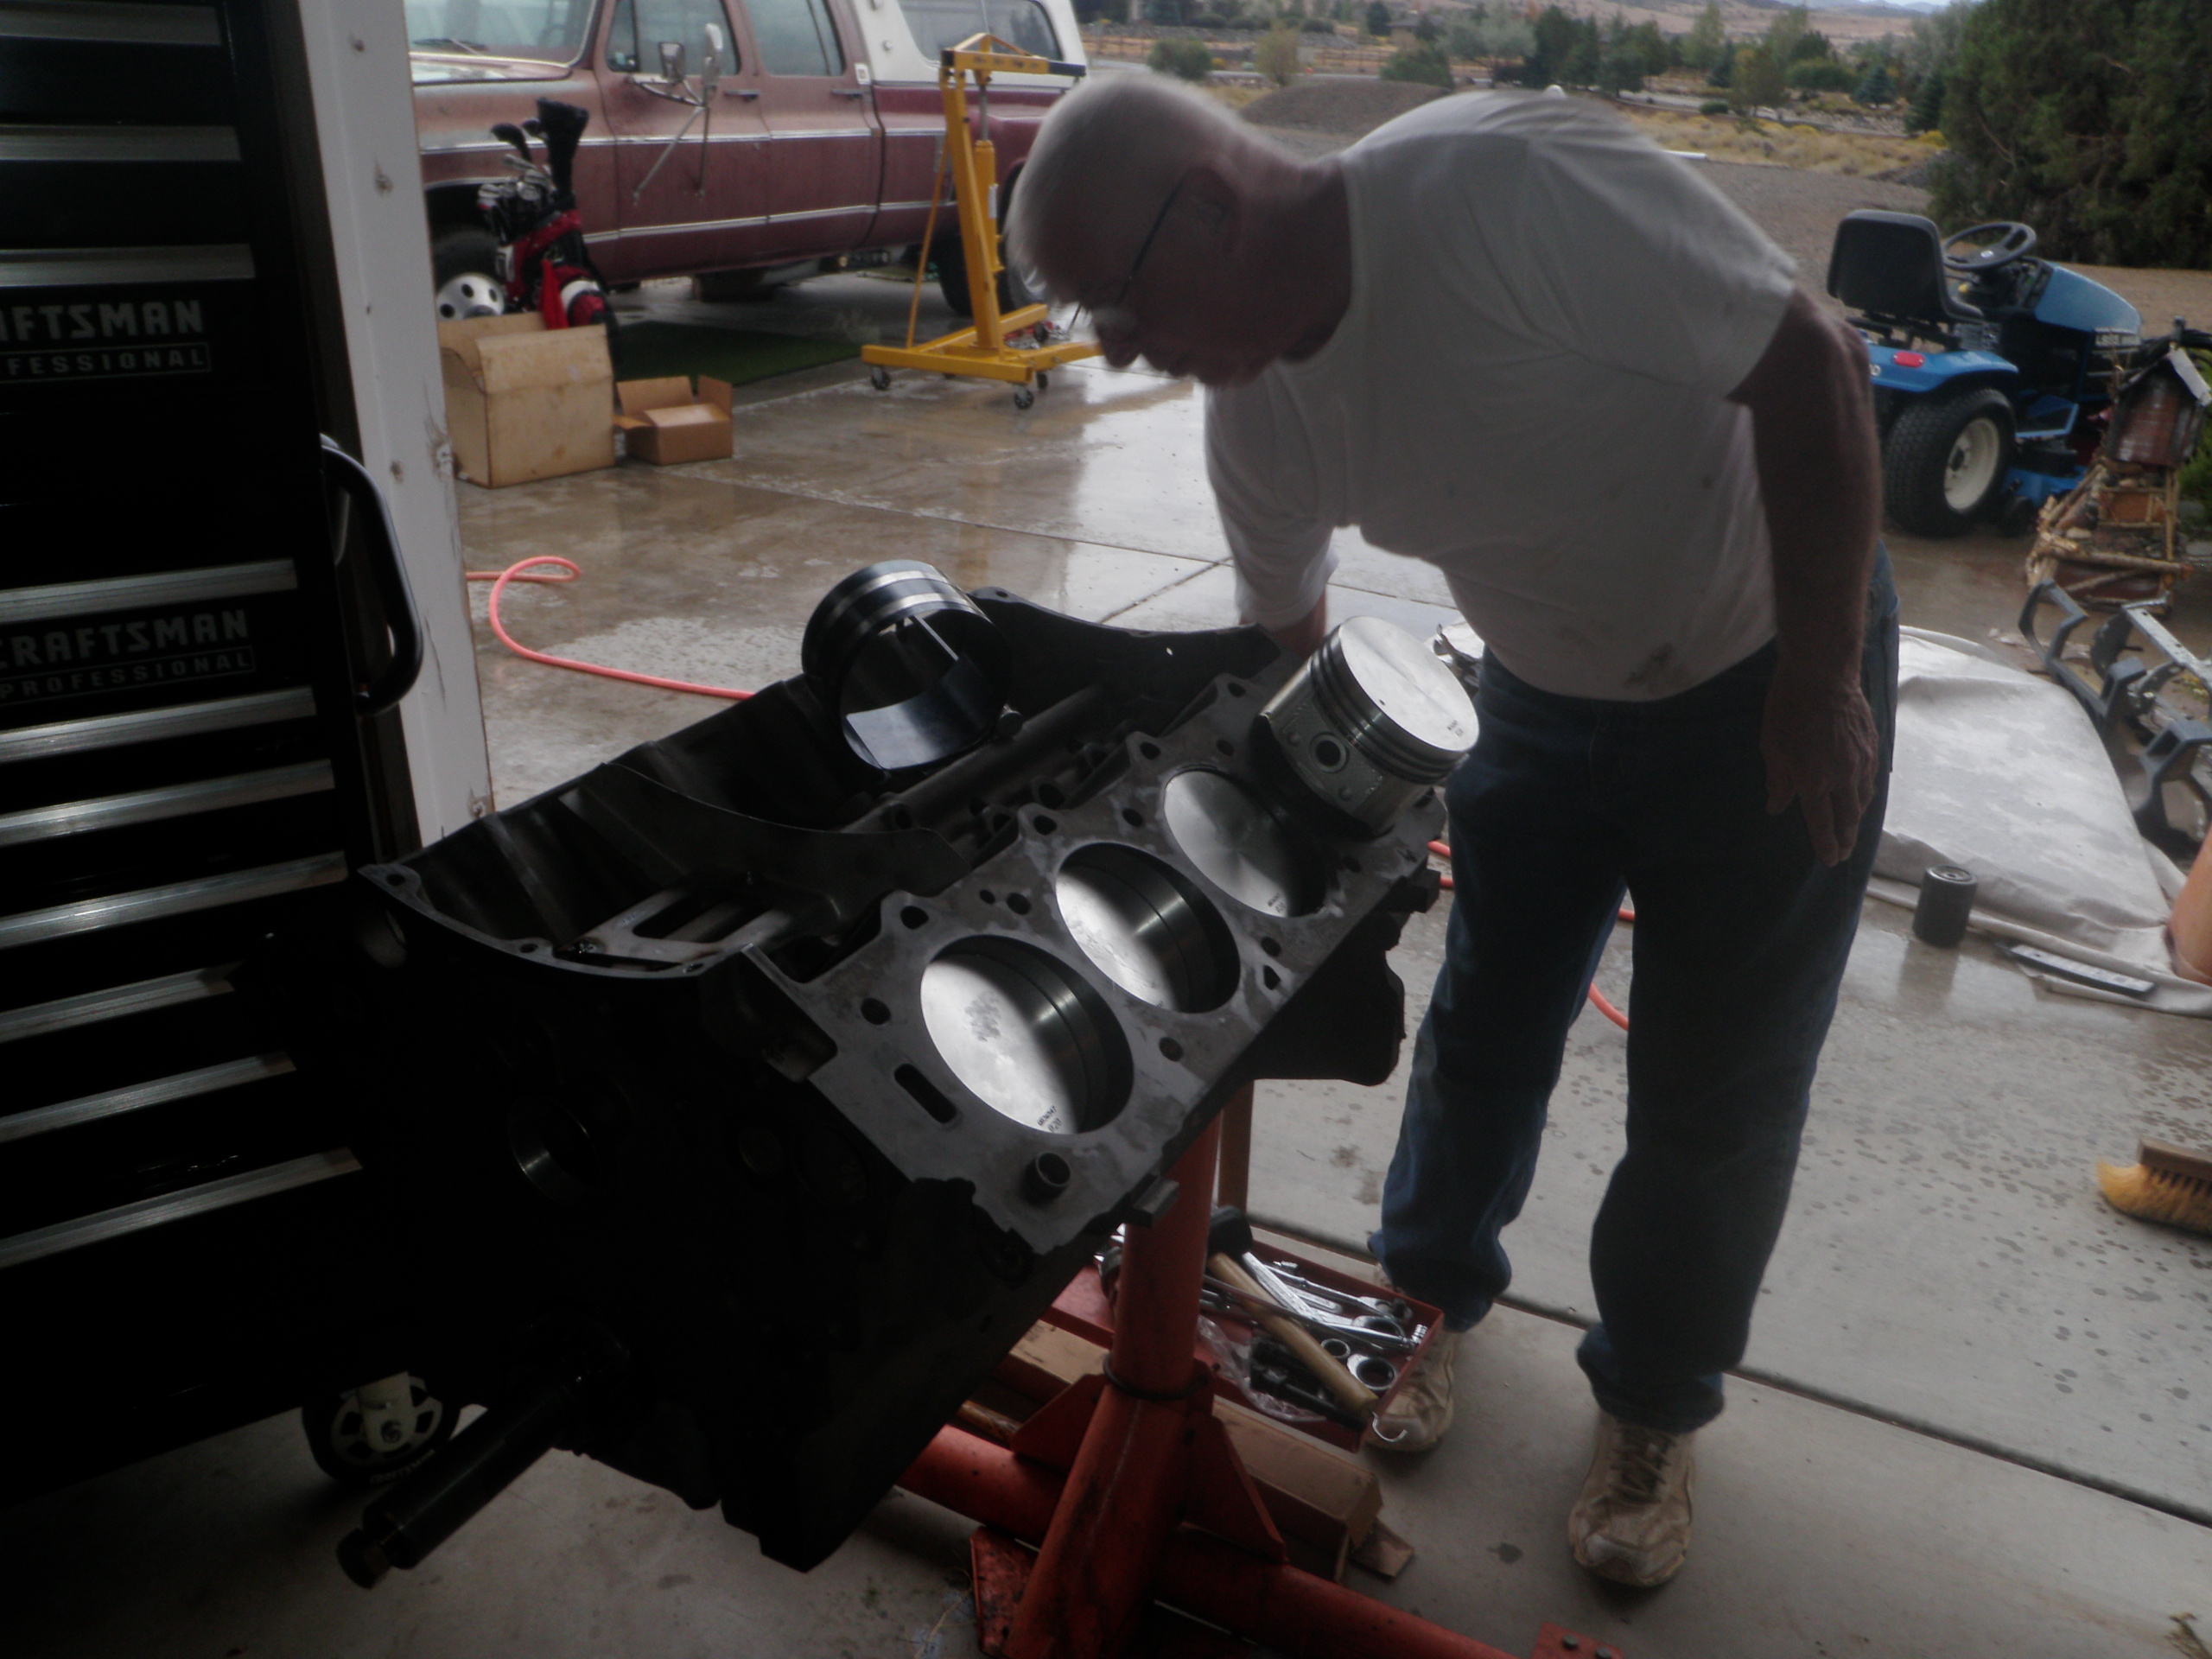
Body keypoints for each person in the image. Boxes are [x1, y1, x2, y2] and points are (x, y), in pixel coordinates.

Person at [1005, 76, 1896, 1588]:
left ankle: (1652, 1404)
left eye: (1120, 302)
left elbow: (1815, 362)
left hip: (1765, 653)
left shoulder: (1498, 189)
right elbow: (1285, 648)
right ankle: (1422, 1308)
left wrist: (1819, 681)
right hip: (1540, 688)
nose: (1119, 349)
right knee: (1484, 1023)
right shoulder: (1256, 415)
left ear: (1211, 207)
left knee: (1719, 1078)